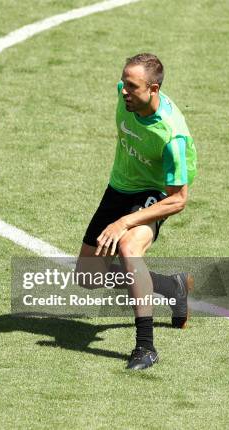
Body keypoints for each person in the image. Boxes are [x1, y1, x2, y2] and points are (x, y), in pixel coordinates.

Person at [75, 53, 197, 370]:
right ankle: (174, 287)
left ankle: (145, 347)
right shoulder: (124, 95)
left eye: (132, 85)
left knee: (130, 248)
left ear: (153, 89)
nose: (124, 90)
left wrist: (125, 222)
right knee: (88, 276)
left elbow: (179, 199)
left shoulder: (172, 137)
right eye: (124, 82)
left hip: (156, 192)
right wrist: (118, 215)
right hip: (120, 186)